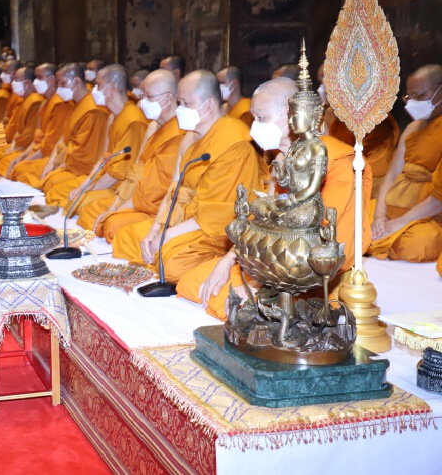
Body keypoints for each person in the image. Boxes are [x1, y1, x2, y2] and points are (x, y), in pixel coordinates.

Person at [179, 77, 373, 319]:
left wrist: (259, 287)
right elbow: (262, 220)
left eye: (262, 118)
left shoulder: (334, 161)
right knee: (191, 282)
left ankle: (272, 303)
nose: (255, 128)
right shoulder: (281, 158)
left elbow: (323, 234)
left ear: (291, 116)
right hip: (271, 256)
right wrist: (228, 259)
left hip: (308, 269)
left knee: (230, 302)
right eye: (254, 119)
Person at [112, 70, 262, 282]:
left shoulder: (235, 143)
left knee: (169, 261)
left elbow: (217, 214)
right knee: (125, 238)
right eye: (179, 102)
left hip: (216, 230)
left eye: (185, 103)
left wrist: (168, 236)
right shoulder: (190, 137)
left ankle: (212, 262)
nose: (179, 109)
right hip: (184, 218)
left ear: (209, 104)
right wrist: (156, 229)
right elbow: (174, 189)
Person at [77, 69, 184, 238]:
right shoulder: (153, 126)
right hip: (137, 198)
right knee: (92, 212)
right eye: (142, 97)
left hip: (158, 208)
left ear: (169, 98)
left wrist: (119, 208)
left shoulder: (181, 134)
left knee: (112, 226)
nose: (142, 103)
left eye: (149, 97)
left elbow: (164, 188)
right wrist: (116, 206)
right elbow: (137, 172)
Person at [44, 64, 148, 212]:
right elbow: (102, 160)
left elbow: (117, 174)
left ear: (111, 88)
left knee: (78, 205)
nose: (94, 90)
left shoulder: (134, 122)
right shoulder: (113, 117)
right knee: (59, 193)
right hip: (103, 179)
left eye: (98, 85)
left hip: (118, 187)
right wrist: (83, 187)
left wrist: (87, 191)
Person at [369, 64, 442, 262]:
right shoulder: (412, 129)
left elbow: (439, 198)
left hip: (429, 216)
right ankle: (381, 235)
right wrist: (379, 216)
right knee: (356, 221)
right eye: (409, 97)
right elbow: (392, 175)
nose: (413, 103)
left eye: (420, 95)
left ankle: (382, 240)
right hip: (395, 206)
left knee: (418, 244)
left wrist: (402, 222)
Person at [317, 62, 399, 198]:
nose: (322, 89)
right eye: (320, 83)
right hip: (335, 178)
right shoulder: (329, 113)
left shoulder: (375, 118)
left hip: (369, 188)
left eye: (326, 83)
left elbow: (368, 165)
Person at [35, 63, 110, 192]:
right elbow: (62, 139)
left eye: (62, 83)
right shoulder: (75, 105)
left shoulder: (93, 111)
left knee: (50, 184)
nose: (59, 89)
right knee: (26, 171)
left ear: (76, 81)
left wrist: (58, 165)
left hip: (80, 171)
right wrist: (51, 163)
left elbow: (84, 156)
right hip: (65, 163)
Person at [6, 64, 73, 180]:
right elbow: (36, 138)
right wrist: (23, 156)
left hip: (48, 156)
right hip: (36, 152)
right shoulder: (44, 104)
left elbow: (50, 145)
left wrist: (25, 159)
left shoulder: (61, 104)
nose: (35, 81)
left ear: (51, 80)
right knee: (10, 162)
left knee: (18, 169)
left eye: (39, 77)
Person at [0, 66, 44, 168]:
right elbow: (13, 125)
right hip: (13, 142)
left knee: (5, 160)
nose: (12, 82)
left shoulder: (35, 101)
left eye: (16, 80)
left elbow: (29, 135)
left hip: (26, 147)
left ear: (27, 83)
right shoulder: (24, 100)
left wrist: (14, 146)